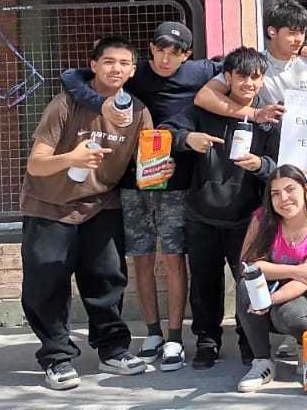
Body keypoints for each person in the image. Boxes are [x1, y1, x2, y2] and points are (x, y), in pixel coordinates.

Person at [197, 0, 307, 350]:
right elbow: (206, 97)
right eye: (292, 32)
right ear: (272, 31)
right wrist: (255, 114)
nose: (299, 39)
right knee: (279, 246)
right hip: (278, 175)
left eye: (303, 32)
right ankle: (287, 322)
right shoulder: (255, 67)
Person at [56, 21, 216, 371]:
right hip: (131, 181)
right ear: (150, 48)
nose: (165, 57)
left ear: (187, 55)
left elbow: (242, 67)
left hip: (175, 181)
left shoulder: (201, 71)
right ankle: (153, 332)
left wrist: (298, 55)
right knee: (141, 257)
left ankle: (175, 337)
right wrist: (99, 103)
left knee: (174, 257)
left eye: (174, 52)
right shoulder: (132, 70)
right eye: (160, 49)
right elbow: (72, 76)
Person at [20, 37, 152, 391]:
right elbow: (36, 164)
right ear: (93, 65)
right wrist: (71, 159)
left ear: (133, 70)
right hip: (50, 205)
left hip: (101, 203)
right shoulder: (64, 105)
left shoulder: (138, 111)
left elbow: (146, 160)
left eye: (124, 63)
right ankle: (57, 356)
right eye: (109, 62)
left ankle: (113, 349)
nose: (116, 69)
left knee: (107, 278)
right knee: (46, 282)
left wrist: (158, 167)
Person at [164, 47, 283, 370]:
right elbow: (166, 132)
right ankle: (207, 341)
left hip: (248, 218)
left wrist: (261, 164)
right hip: (201, 214)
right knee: (204, 282)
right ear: (226, 77)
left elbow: (283, 169)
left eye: (256, 77)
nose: (249, 83)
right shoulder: (204, 108)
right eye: (242, 76)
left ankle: (251, 342)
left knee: (249, 281)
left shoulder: (269, 117)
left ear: (263, 79)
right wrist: (188, 140)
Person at [234, 166, 307, 392]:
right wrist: (293, 271)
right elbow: (249, 267)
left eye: (290, 189)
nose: (283, 198)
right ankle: (262, 361)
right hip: (279, 288)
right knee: (246, 287)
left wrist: (270, 300)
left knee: (288, 314)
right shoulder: (263, 219)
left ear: (306, 190)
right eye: (275, 193)